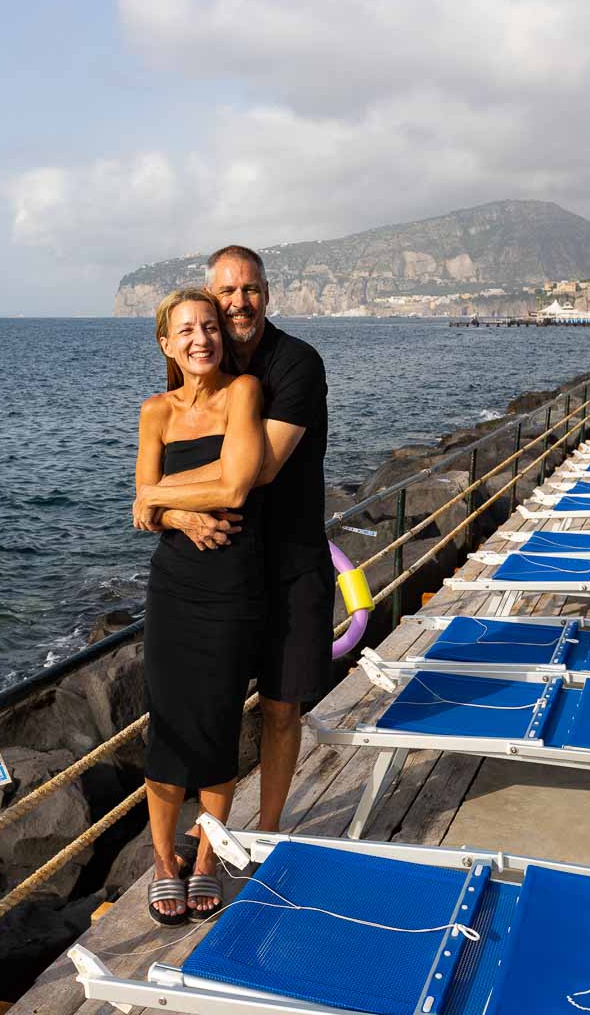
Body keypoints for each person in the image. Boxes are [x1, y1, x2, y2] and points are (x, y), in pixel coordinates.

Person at [138, 246, 334, 839]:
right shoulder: (197, 378)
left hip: (291, 563)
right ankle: (201, 835)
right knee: (210, 707)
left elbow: (255, 473)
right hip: (222, 572)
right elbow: (176, 481)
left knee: (280, 708)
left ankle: (267, 829)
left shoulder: (295, 364)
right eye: (226, 292)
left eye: (249, 289)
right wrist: (173, 514)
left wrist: (156, 492)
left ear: (267, 295)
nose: (237, 302)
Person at [133, 287, 265, 925]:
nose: (201, 339)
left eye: (209, 327)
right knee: (169, 725)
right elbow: (145, 513)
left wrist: (159, 498)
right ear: (166, 344)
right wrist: (180, 513)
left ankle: (207, 859)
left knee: (216, 724)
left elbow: (238, 484)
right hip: (174, 587)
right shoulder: (154, 411)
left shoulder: (243, 393)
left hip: (231, 585)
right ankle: (163, 862)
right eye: (185, 330)